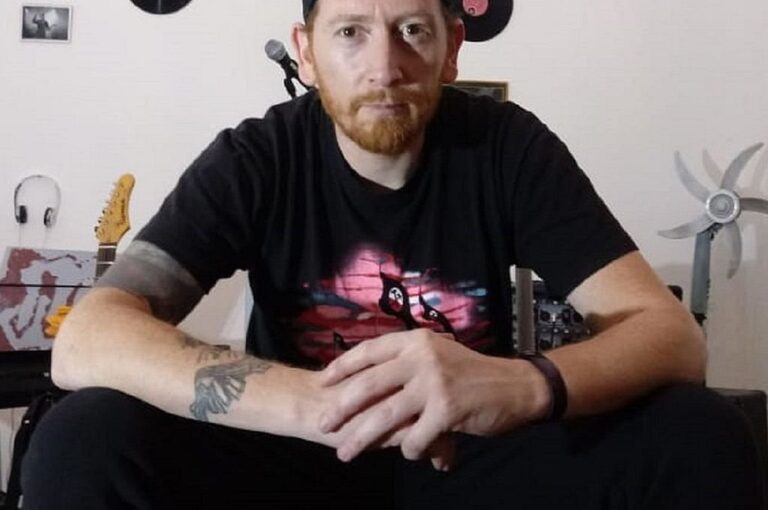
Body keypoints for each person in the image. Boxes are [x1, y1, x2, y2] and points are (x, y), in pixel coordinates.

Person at [21, 0, 765, 508]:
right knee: (85, 436)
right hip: (293, 452)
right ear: (307, 51)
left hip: (467, 454)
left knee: (696, 434)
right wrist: (320, 405)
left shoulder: (508, 148)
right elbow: (88, 339)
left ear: (451, 48)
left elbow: (672, 338)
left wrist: (524, 384)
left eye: (411, 28)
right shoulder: (257, 158)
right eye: (350, 31)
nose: (384, 66)